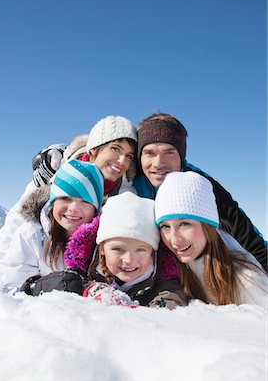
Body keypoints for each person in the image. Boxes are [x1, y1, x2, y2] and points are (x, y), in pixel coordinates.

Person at [133, 112, 267, 270]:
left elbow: (246, 235)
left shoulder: (200, 186)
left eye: (169, 153)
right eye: (150, 153)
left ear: (181, 156)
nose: (159, 163)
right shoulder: (129, 181)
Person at [0, 115, 137, 263]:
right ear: (94, 149)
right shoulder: (55, 177)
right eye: (115, 149)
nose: (122, 161)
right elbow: (16, 228)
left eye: (129, 155)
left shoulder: (125, 196)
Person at [154, 171, 268, 307]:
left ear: (208, 226)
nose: (174, 240)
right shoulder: (169, 265)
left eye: (184, 224)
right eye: (165, 227)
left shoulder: (246, 280)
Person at [0, 159, 104, 294]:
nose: (73, 208)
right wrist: (39, 287)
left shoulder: (104, 240)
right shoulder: (32, 235)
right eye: (66, 198)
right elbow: (11, 290)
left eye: (85, 201)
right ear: (53, 202)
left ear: (95, 209)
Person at [77, 192, 188, 309]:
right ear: (102, 249)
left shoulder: (162, 277)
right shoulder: (87, 269)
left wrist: (154, 313)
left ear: (153, 251)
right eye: (118, 249)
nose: (129, 260)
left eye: (140, 250)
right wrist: (93, 290)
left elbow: (171, 297)